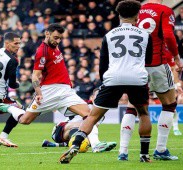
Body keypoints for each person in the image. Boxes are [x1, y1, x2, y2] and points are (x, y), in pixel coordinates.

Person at [59, 0, 153, 164]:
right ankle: (144, 155)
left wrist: (105, 81)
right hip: (137, 77)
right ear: (137, 17)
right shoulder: (145, 35)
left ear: (118, 15)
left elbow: (103, 63)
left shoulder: (109, 35)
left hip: (113, 77)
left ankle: (75, 145)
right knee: (143, 114)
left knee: (92, 116)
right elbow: (149, 60)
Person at [0, 23, 90, 145]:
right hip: (48, 91)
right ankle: (10, 107)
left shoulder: (55, 46)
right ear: (47, 34)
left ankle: (96, 145)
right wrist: (38, 92)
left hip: (65, 91)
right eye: (56, 37)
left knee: (89, 114)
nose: (58, 41)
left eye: (60, 38)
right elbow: (35, 75)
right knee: (25, 120)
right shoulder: (42, 51)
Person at [119, 0, 183, 161]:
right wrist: (176, 58)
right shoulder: (164, 10)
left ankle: (123, 151)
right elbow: (168, 35)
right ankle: (160, 149)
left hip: (135, 65)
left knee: (132, 106)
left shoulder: (135, 10)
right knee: (169, 103)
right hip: (157, 64)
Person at [42, 89, 117, 153]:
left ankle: (54, 144)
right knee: (89, 122)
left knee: (86, 135)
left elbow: (91, 130)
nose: (100, 97)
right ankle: (96, 145)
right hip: (61, 129)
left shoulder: (101, 114)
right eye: (97, 95)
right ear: (92, 97)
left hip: (73, 132)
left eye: (101, 95)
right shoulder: (84, 104)